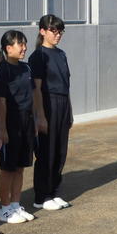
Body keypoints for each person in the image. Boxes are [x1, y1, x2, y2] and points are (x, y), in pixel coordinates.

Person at [0, 30, 37, 224]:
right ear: (8, 48)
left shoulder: (26, 68)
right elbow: (1, 103)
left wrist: (34, 122)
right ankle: (4, 209)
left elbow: (32, 97)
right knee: (8, 169)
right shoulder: (3, 71)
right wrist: (3, 129)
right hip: (10, 124)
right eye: (20, 44)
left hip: (26, 123)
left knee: (20, 168)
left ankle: (15, 205)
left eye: (25, 44)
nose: (24, 48)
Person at [29, 15, 72, 210]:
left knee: (60, 151)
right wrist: (40, 116)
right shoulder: (38, 56)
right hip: (47, 103)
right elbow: (36, 88)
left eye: (60, 31)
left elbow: (66, 85)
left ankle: (54, 191)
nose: (58, 35)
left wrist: (69, 111)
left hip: (62, 103)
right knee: (47, 151)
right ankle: (42, 196)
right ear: (42, 31)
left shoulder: (61, 54)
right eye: (53, 31)